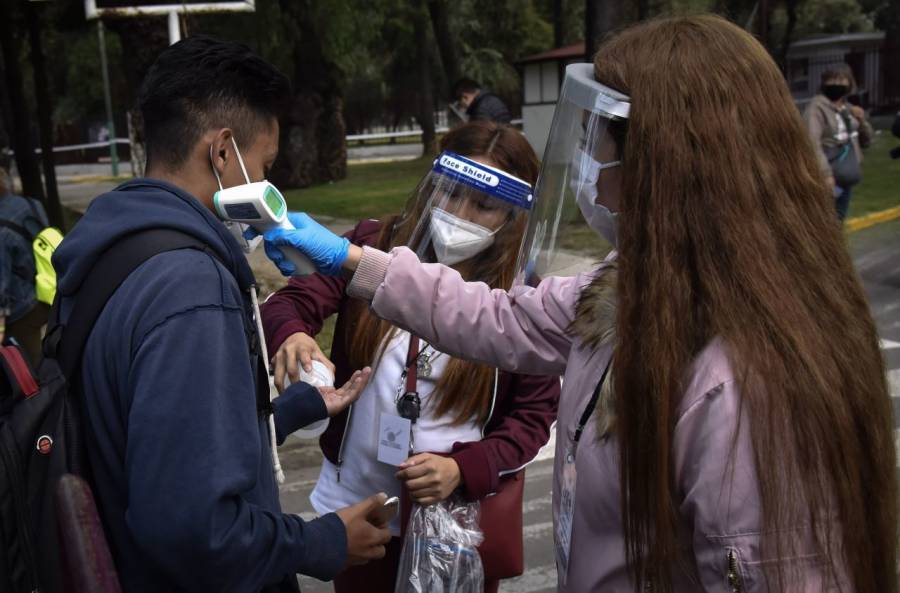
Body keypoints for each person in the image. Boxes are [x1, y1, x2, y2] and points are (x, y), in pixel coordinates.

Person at [262, 15, 897, 593]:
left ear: (667, 161)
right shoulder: (633, 286)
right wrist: (348, 259)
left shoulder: (747, 383)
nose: (589, 166)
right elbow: (502, 320)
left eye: (601, 143)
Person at [52, 36, 391, 592]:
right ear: (222, 151)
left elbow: (153, 441)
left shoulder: (114, 244)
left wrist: (289, 411)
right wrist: (322, 541)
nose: (268, 184)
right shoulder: (190, 286)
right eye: (265, 165)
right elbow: (191, 527)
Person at [260, 121, 560, 593]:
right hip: (361, 506)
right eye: (449, 193)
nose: (459, 214)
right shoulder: (373, 247)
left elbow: (534, 415)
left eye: (483, 206)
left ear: (513, 215)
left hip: (456, 524)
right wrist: (293, 336)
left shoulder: (521, 295)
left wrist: (466, 468)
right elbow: (288, 302)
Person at [803, 64, 873, 221]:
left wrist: (861, 121)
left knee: (838, 220)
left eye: (841, 81)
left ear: (849, 84)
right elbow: (811, 142)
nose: (836, 85)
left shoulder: (848, 108)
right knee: (825, 222)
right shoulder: (816, 108)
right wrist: (825, 174)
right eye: (832, 80)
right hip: (828, 174)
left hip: (845, 173)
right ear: (824, 83)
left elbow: (867, 141)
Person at [0, 167, 50, 363]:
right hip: (48, 291)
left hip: (22, 308)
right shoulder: (32, 204)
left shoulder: (1, 228)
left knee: (28, 374)